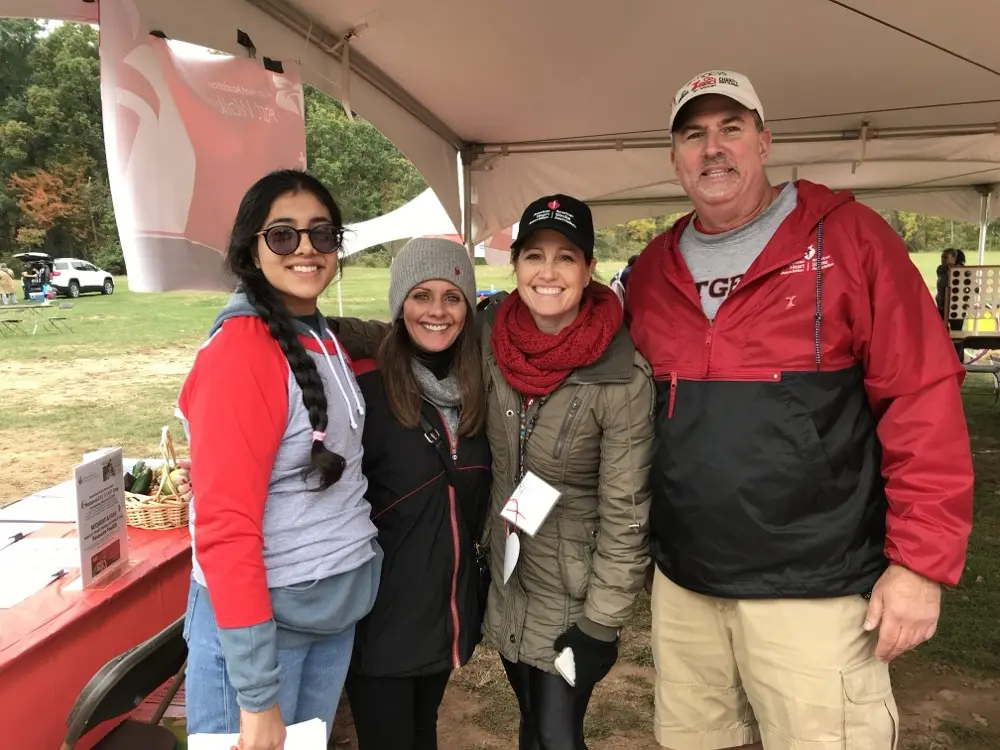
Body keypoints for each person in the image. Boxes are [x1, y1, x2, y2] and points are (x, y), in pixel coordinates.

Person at [625, 69, 974, 750]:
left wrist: (921, 565)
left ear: (765, 142)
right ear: (674, 159)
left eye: (732, 128)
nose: (713, 148)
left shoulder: (850, 239)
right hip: (685, 586)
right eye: (694, 135)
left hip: (815, 585)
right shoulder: (652, 270)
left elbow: (921, 396)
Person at [177, 169, 381, 750]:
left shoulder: (316, 332)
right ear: (251, 247)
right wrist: (256, 695)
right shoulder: (242, 351)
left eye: (322, 233)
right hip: (263, 637)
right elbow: (225, 528)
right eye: (284, 236)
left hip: (325, 616)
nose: (307, 249)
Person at [481, 194, 654, 749]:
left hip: (575, 596)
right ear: (515, 266)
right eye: (534, 256)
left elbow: (629, 513)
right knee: (531, 726)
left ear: (588, 268)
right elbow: (410, 334)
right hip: (511, 580)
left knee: (558, 734)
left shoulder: (621, 375)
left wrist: (602, 623)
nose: (548, 272)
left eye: (566, 257)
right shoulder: (491, 341)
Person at [343, 237, 492, 750]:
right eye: (420, 295)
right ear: (399, 304)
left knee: (423, 731)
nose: (437, 311)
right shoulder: (364, 390)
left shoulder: (481, 388)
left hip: (444, 615)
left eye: (452, 297)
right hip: (379, 621)